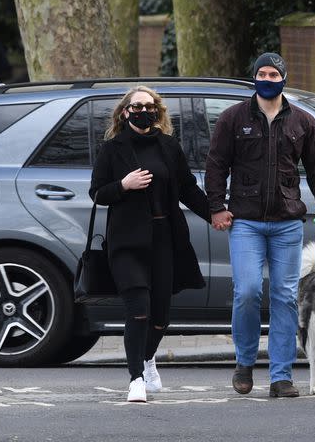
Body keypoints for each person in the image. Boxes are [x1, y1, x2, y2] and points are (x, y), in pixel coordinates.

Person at [205, 52, 315, 398]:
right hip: (245, 221)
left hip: (287, 222)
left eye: (273, 73)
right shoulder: (233, 118)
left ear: (283, 78)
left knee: (284, 297)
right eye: (261, 72)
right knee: (247, 291)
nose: (267, 78)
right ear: (254, 77)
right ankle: (244, 363)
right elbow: (216, 165)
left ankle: (281, 376)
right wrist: (217, 207)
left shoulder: (302, 122)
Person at [89, 85, 211, 403]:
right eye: (136, 106)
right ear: (125, 112)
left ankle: (147, 358)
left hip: (164, 239)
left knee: (160, 317)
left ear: (157, 111)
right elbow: (98, 193)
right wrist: (123, 185)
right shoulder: (113, 149)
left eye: (149, 105)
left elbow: (187, 188)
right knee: (139, 310)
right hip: (127, 242)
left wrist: (217, 215)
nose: (143, 111)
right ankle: (136, 379)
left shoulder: (168, 147)